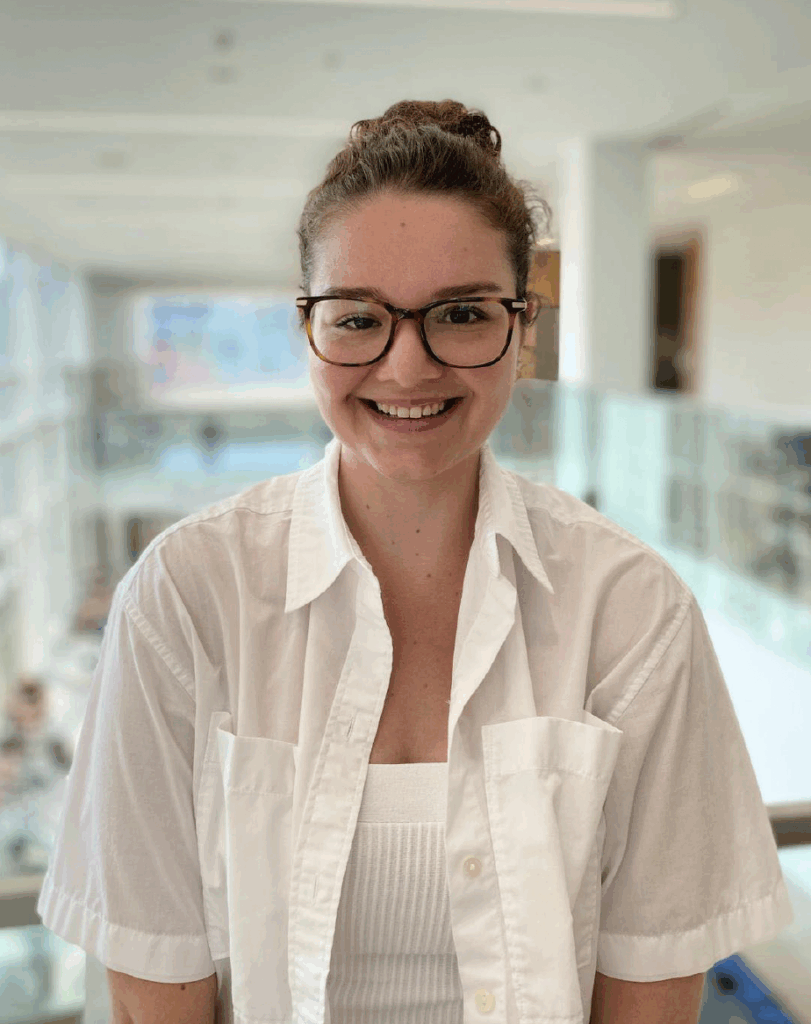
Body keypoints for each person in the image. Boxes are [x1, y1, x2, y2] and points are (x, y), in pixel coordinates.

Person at [36, 100, 793, 1024]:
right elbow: (154, 979)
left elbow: (651, 988)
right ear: (305, 328)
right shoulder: (187, 594)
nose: (405, 367)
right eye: (358, 319)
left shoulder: (629, 608)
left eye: (461, 314)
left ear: (524, 329)